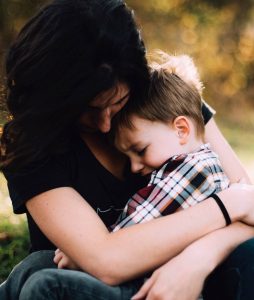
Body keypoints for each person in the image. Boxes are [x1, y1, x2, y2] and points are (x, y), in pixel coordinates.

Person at [0, 1, 254, 300]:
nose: (106, 124)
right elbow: (106, 261)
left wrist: (198, 258)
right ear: (56, 98)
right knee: (35, 271)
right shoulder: (32, 146)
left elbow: (250, 210)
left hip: (188, 284)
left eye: (117, 102)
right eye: (89, 109)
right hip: (85, 286)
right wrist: (229, 205)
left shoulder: (164, 103)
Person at [110, 53, 231, 231]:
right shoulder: (203, 165)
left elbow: (134, 229)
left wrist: (88, 247)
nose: (134, 167)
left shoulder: (193, 170)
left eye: (140, 150)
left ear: (181, 130)